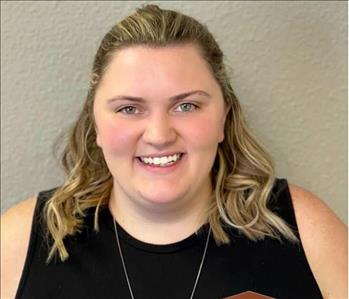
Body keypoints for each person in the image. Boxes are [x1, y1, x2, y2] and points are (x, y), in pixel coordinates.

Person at [1, 4, 347, 299]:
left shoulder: (304, 227)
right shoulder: (19, 242)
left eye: (186, 106)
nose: (159, 135)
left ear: (224, 117)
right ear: (95, 126)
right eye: (128, 109)